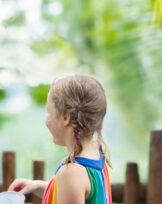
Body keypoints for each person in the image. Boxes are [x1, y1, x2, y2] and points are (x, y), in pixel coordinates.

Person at [8, 75, 112, 204]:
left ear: (65, 117)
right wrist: (37, 186)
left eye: (48, 112)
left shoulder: (71, 174)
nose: (46, 119)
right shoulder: (96, 155)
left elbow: (71, 189)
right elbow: (70, 194)